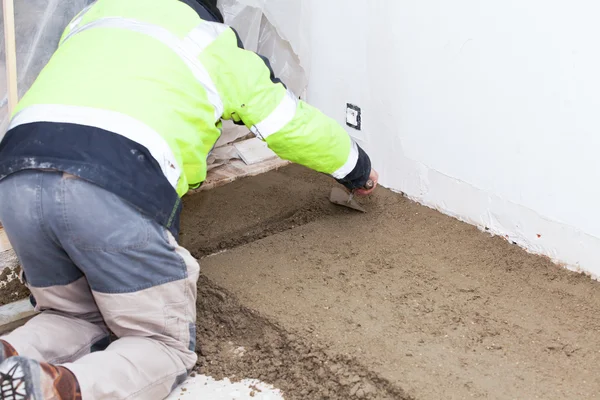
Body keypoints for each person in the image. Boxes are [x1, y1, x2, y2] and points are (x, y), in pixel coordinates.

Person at [0, 0, 378, 399]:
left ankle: (10, 355)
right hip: (111, 182)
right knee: (160, 345)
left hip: (16, 178)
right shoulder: (211, 41)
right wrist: (357, 166)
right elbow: (291, 125)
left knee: (71, 315)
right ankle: (53, 389)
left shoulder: (95, 15)